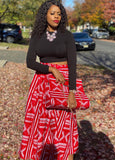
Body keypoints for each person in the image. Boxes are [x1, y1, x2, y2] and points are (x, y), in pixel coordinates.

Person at [18, 0, 78, 159]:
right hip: (41, 85)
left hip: (62, 84)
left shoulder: (67, 36)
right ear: (45, 15)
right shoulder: (37, 35)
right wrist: (51, 69)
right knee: (39, 127)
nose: (56, 16)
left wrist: (72, 91)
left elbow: (73, 64)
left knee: (64, 127)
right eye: (52, 13)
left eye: (59, 13)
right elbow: (30, 62)